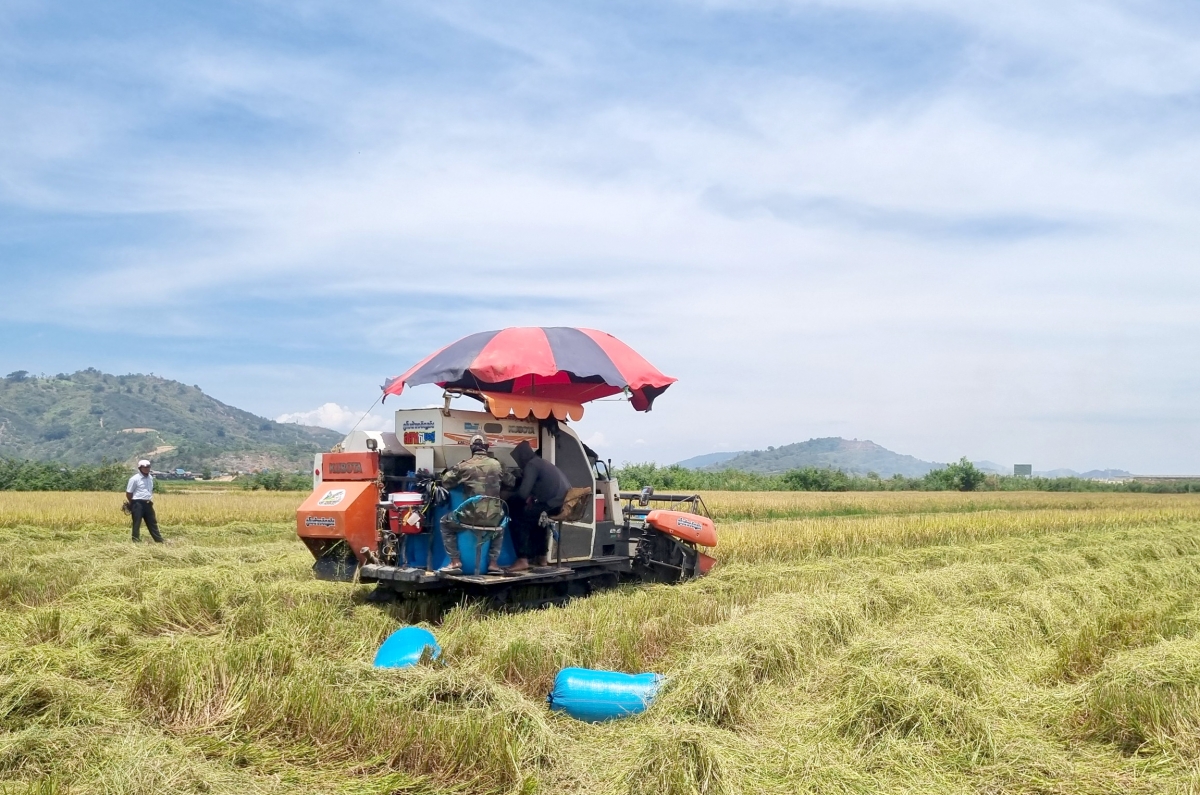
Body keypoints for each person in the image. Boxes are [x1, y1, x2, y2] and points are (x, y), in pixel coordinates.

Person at [437, 435, 513, 575]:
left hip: (470, 517)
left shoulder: (464, 465)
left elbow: (446, 481)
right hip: (493, 518)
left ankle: (455, 561)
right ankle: (493, 563)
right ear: (487, 447)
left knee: (445, 522)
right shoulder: (498, 465)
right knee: (501, 525)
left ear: (471, 448)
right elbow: (511, 482)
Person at [507, 440, 571, 572]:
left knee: (518, 516)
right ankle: (541, 556)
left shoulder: (532, 464)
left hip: (552, 503)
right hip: (560, 503)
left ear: (522, 457)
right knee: (536, 518)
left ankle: (522, 559)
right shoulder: (542, 462)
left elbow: (523, 494)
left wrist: (507, 497)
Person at [126, 459, 164, 543]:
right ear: (140, 468)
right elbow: (129, 493)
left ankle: (159, 540)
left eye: (148, 467)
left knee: (152, 522)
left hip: (148, 503)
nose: (147, 469)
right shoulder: (134, 479)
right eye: (144, 467)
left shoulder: (150, 478)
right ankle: (135, 541)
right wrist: (132, 503)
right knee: (137, 523)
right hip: (138, 503)